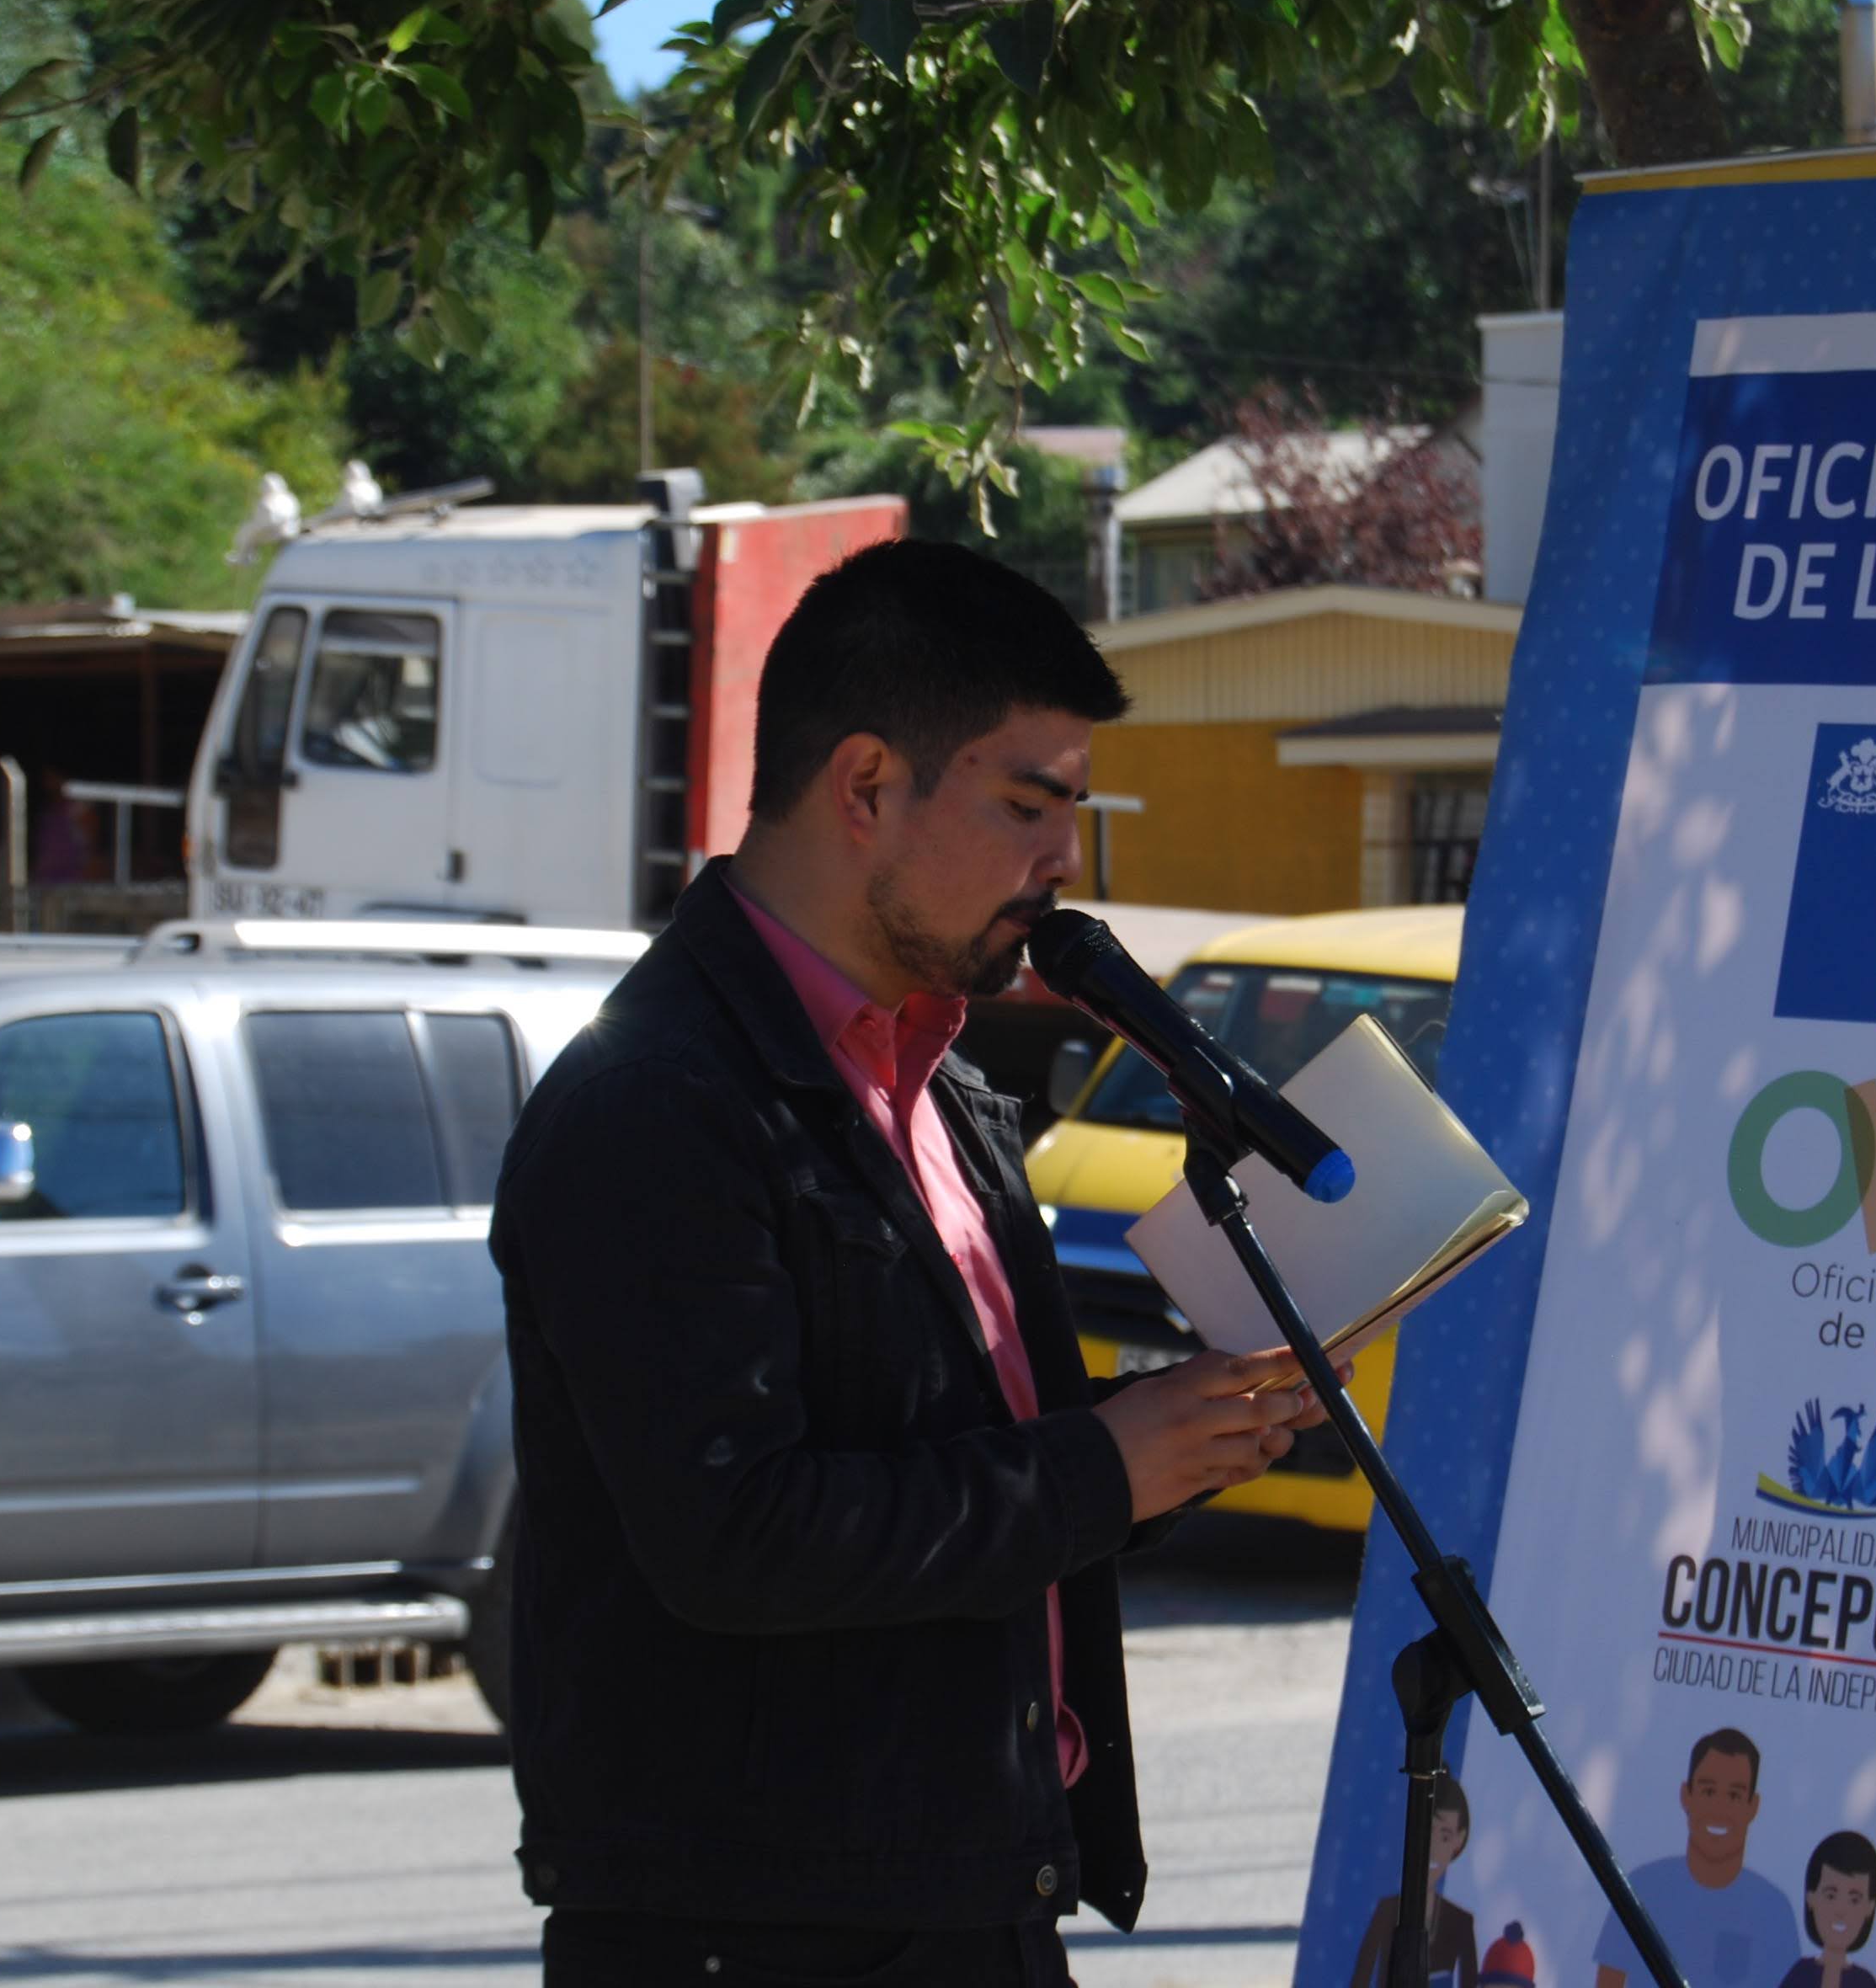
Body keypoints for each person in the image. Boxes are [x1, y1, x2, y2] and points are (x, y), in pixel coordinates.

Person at [489, 539, 1332, 1987]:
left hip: (971, 1895)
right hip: (750, 1936)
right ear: (867, 785)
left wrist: (1178, 1439)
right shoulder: (656, 1103)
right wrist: (1096, 1469)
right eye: (1027, 803)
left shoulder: (942, 1089)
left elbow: (950, 1457)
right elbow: (735, 1533)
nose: (1060, 863)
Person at [1591, 1728, 1802, 1988]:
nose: (1719, 1809)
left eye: (1734, 1795)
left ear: (1753, 1806)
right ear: (1686, 1795)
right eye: (1709, 1791)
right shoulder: (1641, 1889)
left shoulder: (1774, 1911)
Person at [1348, 1772, 1482, 1988]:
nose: (1432, 1847)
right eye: (1426, 1831)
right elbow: (1360, 1979)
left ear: (1460, 1839)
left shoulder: (1461, 1922)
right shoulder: (1387, 1910)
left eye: (1444, 1836)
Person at [1773, 1830, 1876, 1988]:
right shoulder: (1801, 1974)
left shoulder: (1864, 1982)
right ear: (1811, 1898)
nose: (1841, 1911)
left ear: (1869, 1908)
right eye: (1831, 1896)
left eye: (1854, 1900)